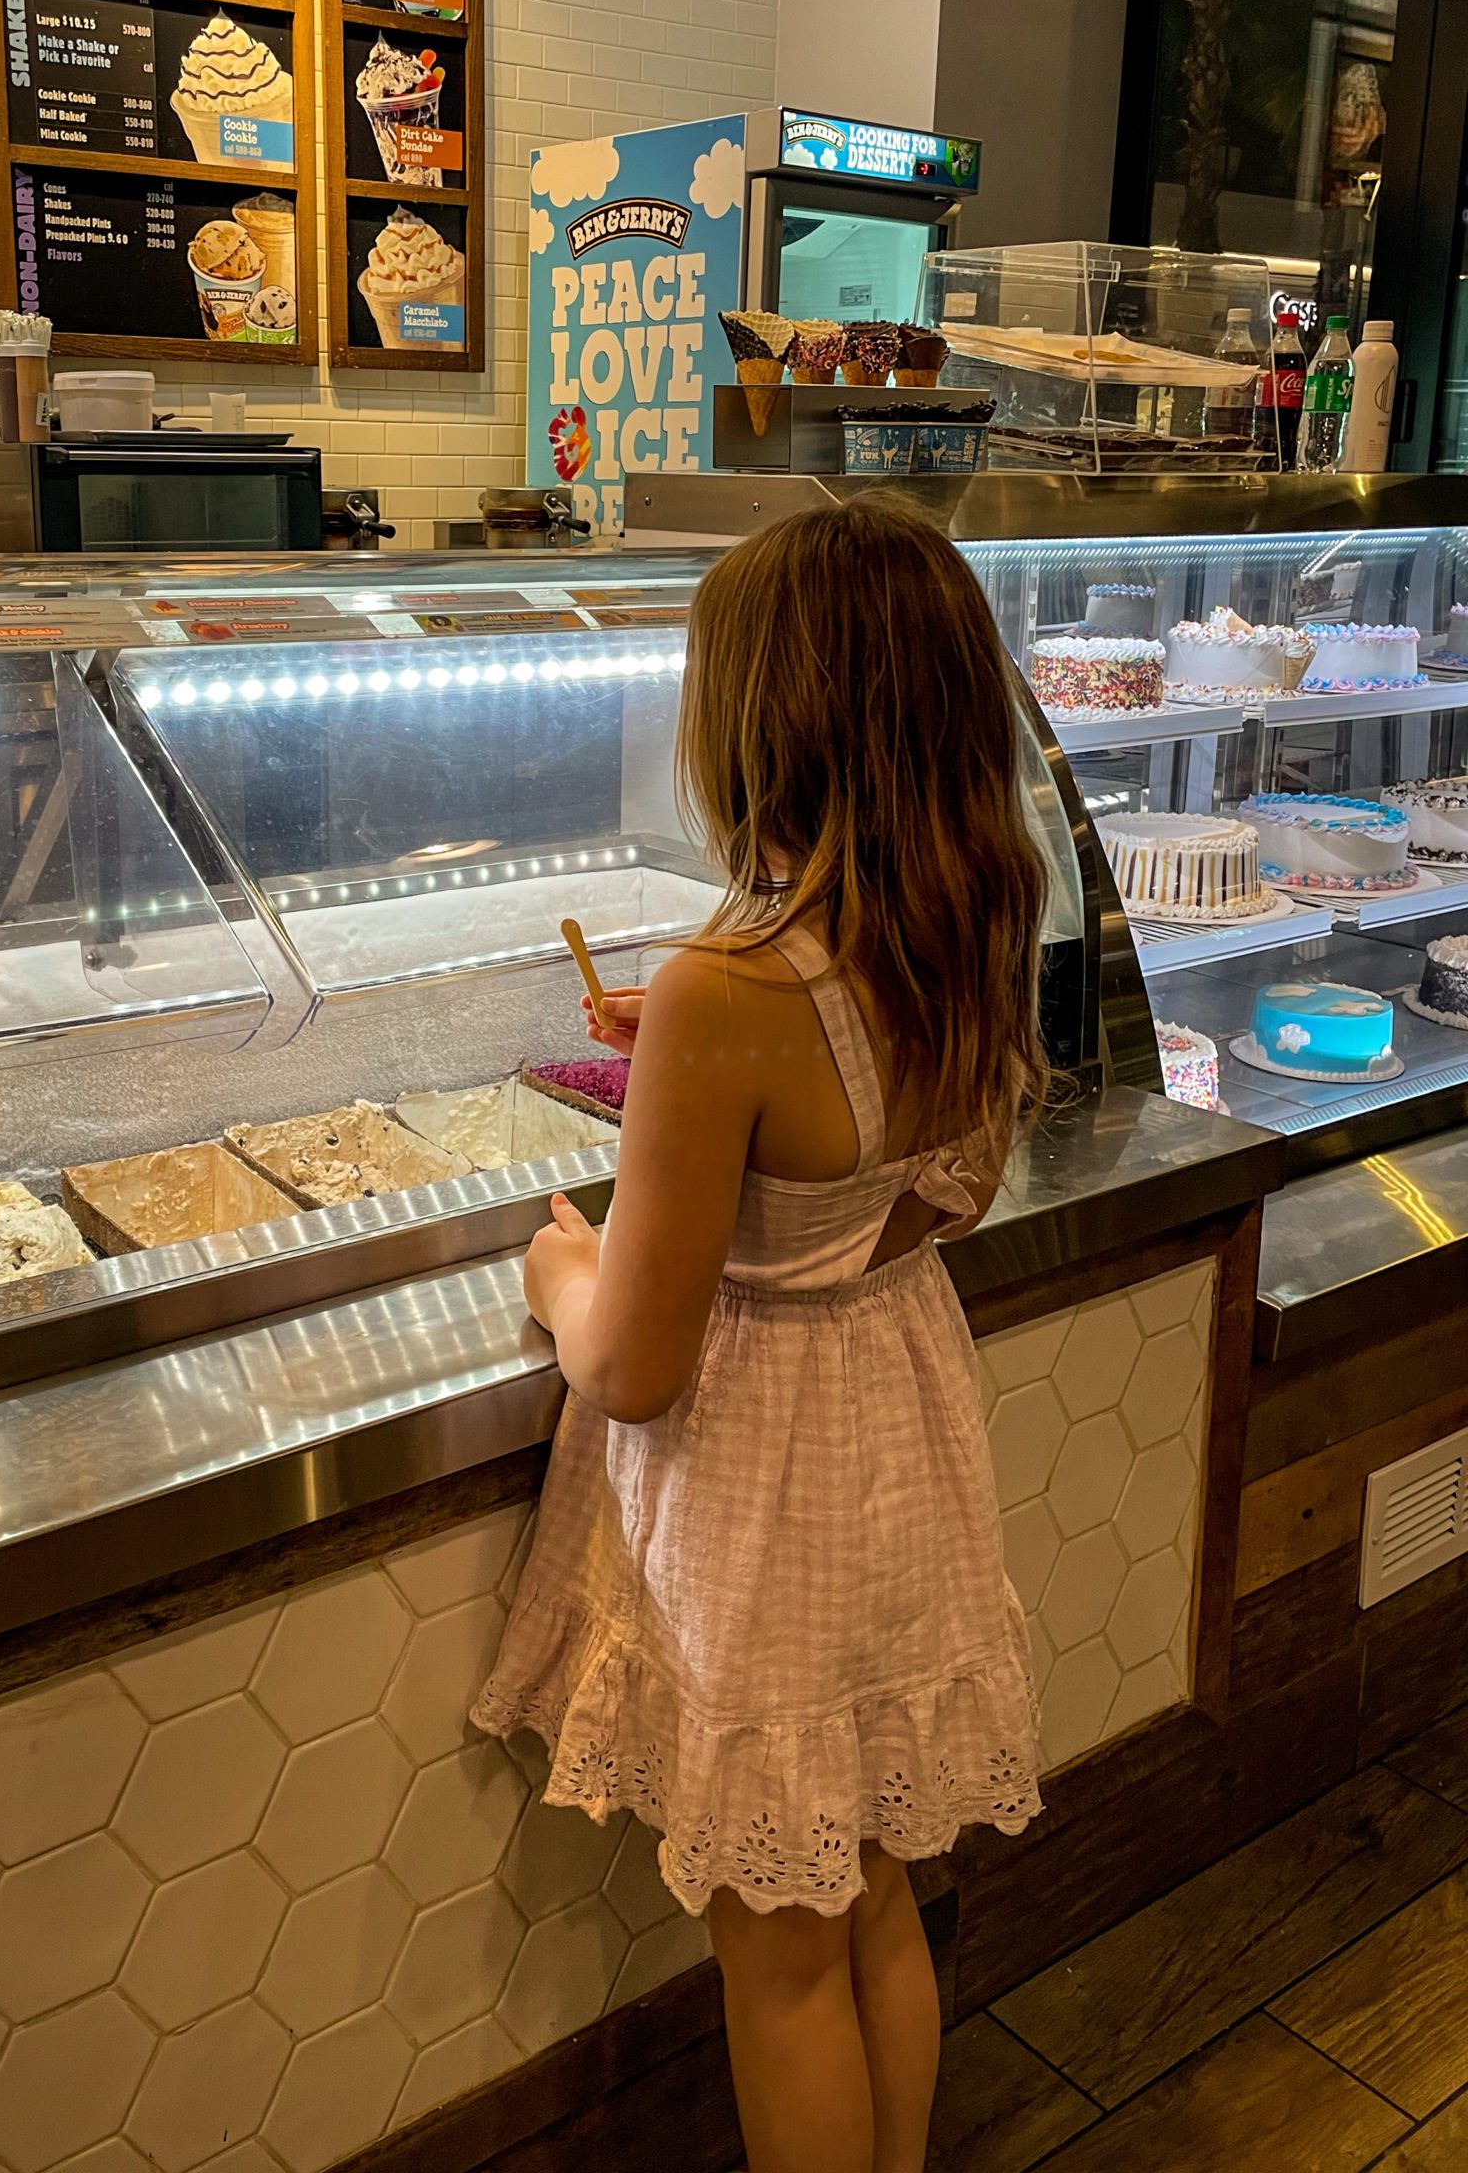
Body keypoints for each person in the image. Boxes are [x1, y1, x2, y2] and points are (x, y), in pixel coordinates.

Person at [473, 495, 1049, 2173]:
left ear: (756, 730)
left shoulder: (734, 989)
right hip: (900, 1449)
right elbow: (929, 1190)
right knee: (870, 1891)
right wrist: (700, 1057)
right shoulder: (966, 925)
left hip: (762, 1510)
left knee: (774, 1955)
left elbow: (636, 1364)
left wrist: (555, 1273)